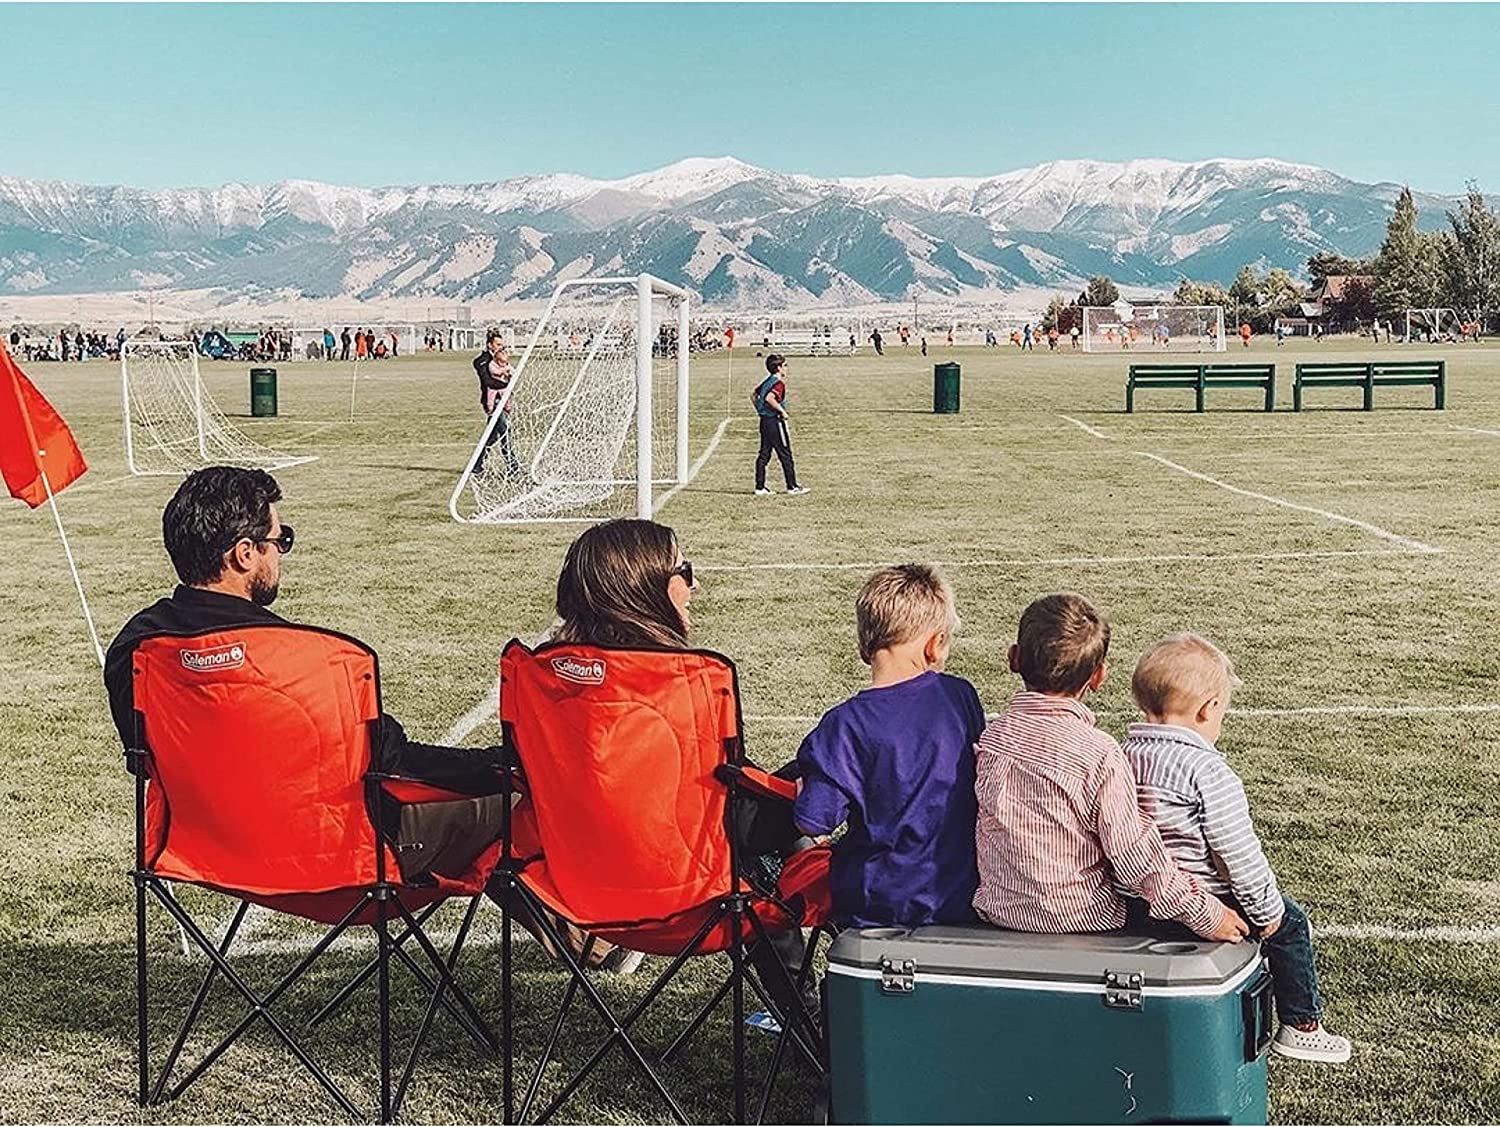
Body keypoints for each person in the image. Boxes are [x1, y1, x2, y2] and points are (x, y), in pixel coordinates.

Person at [547, 518, 816, 997]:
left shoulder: (545, 680)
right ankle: (809, 1018)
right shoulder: (679, 683)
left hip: (584, 888)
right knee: (817, 784)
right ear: (647, 589)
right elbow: (728, 812)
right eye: (684, 570)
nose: (694, 583)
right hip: (688, 890)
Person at [1120, 634, 1352, 1063]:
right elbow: (1235, 853)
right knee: (1292, 924)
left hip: (1135, 901)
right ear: (1208, 709)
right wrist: (1265, 911)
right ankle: (1302, 1025)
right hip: (1207, 902)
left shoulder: (1120, 755)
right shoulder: (1207, 769)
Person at [972, 592, 1249, 943]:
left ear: (1013, 658)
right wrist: (1205, 914)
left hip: (1001, 911)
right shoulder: (1099, 753)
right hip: (1083, 917)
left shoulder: (993, 738)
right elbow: (1134, 855)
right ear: (1099, 677)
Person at [795, 565, 983, 929]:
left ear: (865, 646)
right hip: (961, 893)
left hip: (878, 903)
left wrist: (806, 789)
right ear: (935, 644)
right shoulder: (961, 696)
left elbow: (813, 820)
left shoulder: (845, 725)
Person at [752, 354, 806, 497]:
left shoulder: (767, 381)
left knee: (764, 454)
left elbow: (754, 395)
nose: (787, 368)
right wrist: (782, 411)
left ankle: (760, 487)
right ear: (778, 368)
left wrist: (759, 409)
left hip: (764, 421)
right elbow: (770, 398)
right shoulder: (778, 383)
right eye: (785, 365)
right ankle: (792, 486)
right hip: (775, 422)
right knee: (785, 453)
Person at [472, 330, 522, 477]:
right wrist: (507, 384)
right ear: (490, 345)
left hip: (502, 398)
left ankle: (477, 466)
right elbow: (488, 382)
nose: (501, 347)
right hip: (493, 402)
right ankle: (513, 468)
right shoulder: (482, 361)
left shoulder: (500, 359)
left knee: (492, 436)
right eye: (498, 344)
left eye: (502, 344)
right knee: (505, 430)